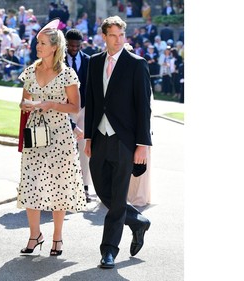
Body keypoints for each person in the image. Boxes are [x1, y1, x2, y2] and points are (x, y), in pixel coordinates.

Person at [84, 16, 152, 269]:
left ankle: (109, 250)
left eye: (121, 35)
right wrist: (89, 136)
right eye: (113, 35)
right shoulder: (94, 62)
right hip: (99, 138)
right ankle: (136, 220)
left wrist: (142, 144)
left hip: (125, 140)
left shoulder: (137, 64)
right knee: (103, 190)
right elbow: (91, 102)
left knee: (117, 195)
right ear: (104, 36)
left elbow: (143, 107)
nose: (118, 39)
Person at [17, 18, 86, 257]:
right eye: (37, 43)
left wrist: (50, 104)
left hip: (60, 136)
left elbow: (75, 107)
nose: (38, 47)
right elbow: (22, 102)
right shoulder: (30, 71)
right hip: (34, 134)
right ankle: (35, 235)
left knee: (59, 185)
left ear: (54, 46)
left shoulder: (67, 74)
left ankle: (57, 236)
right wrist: (26, 106)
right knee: (31, 183)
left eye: (43, 43)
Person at [64, 28, 93, 203]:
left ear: (81, 44)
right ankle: (67, 187)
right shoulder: (58, 60)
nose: (74, 48)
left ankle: (85, 188)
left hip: (85, 110)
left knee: (84, 149)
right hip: (66, 109)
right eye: (71, 45)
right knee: (66, 148)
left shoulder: (89, 60)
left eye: (77, 46)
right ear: (66, 43)